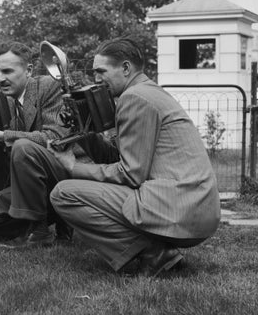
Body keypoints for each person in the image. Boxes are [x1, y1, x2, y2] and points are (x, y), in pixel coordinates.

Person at [50, 37, 221, 277]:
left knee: (63, 194)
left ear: (126, 68)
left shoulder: (134, 98)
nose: (96, 79)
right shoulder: (149, 91)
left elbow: (130, 173)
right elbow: (121, 158)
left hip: (179, 208)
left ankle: (153, 253)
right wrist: (85, 132)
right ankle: (158, 251)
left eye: (101, 71)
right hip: (194, 208)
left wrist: (73, 166)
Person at [0, 41, 70, 244]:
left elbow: (55, 138)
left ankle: (39, 230)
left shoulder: (48, 86)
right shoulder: (5, 99)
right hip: (29, 184)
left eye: (7, 71)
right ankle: (52, 216)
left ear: (28, 70)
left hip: (62, 173)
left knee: (22, 146)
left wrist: (3, 135)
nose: (0, 79)